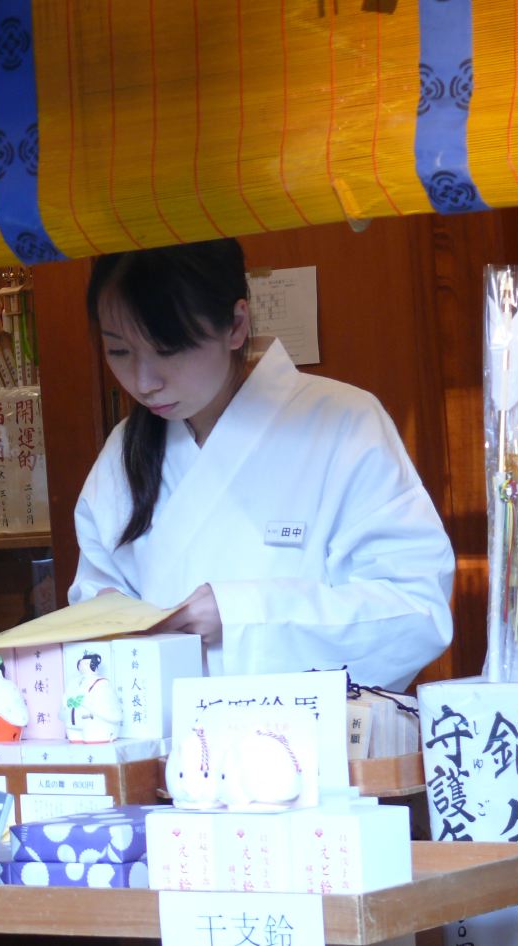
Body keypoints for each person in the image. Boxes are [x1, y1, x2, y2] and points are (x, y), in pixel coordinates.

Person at [70, 239, 454, 691]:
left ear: (235, 324)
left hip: (304, 745)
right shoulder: (124, 452)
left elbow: (416, 610)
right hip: (160, 749)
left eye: (168, 349)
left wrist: (240, 617)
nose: (143, 381)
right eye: (119, 352)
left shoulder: (342, 422)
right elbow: (93, 606)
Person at [59, 651, 123, 743]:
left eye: (86, 664)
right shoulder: (74, 682)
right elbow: (66, 697)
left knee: (93, 737)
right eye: (81, 663)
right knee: (74, 738)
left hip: (94, 722)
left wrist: (85, 702)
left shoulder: (102, 683)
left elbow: (104, 703)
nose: (82, 666)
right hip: (72, 721)